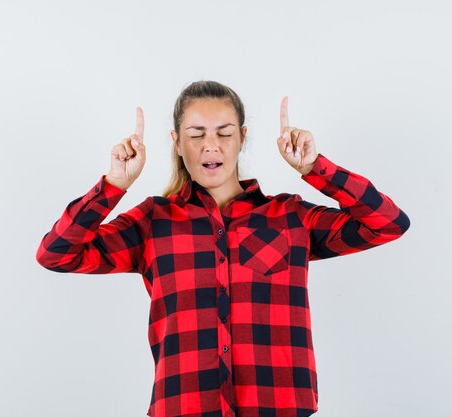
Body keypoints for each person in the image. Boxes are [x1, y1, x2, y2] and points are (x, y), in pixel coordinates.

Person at [36, 81, 410, 417]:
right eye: (196, 134)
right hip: (184, 407)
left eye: (224, 133)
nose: (210, 145)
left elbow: (388, 222)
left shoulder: (291, 216)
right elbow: (57, 254)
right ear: (177, 142)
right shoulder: (152, 222)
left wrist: (315, 168)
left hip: (279, 407)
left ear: (242, 137)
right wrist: (114, 186)